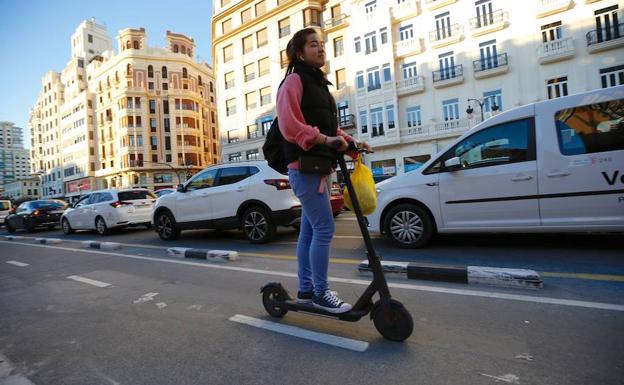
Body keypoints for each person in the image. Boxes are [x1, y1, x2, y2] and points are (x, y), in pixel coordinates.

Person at [277, 28, 372, 314]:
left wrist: (354, 144)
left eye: (322, 45)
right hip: (304, 168)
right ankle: (320, 292)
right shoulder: (293, 82)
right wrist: (322, 139)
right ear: (299, 52)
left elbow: (333, 130)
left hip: (319, 166)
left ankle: (306, 290)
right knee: (324, 228)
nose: (320, 49)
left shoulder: (319, 84)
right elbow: (289, 125)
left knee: (309, 231)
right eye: (313, 45)